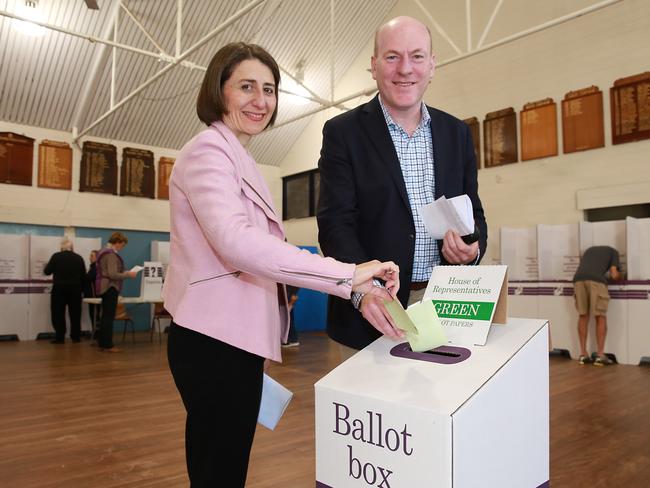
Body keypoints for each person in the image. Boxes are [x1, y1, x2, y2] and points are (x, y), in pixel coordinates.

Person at [162, 42, 400, 488]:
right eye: (246, 87)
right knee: (219, 465)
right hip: (213, 340)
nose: (260, 100)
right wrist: (346, 274)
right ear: (219, 91)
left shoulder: (237, 155)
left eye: (269, 89)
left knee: (225, 463)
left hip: (231, 338)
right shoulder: (208, 152)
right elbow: (237, 242)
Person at [317, 16, 487, 356]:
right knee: (372, 408)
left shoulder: (457, 133)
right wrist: (365, 289)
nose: (405, 69)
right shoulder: (342, 133)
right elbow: (336, 224)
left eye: (417, 56)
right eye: (392, 56)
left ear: (432, 65)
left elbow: (475, 213)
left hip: (443, 303)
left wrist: (473, 249)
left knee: (437, 405)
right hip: (372, 308)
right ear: (374, 66)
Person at [573, 245, 621, 366]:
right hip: (596, 281)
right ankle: (600, 355)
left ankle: (583, 354)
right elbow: (614, 274)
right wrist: (621, 275)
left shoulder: (589, 250)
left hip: (578, 279)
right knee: (600, 316)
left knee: (583, 315)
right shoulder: (614, 252)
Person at [95, 232, 137, 353]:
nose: (122, 248)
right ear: (117, 242)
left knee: (105, 317)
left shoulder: (103, 251)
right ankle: (108, 345)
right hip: (110, 287)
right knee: (108, 317)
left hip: (103, 287)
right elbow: (113, 274)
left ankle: (102, 343)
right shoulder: (111, 255)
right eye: (122, 245)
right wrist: (128, 274)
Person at [43, 238, 86, 344]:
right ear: (72, 247)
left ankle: (60, 337)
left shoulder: (56, 256)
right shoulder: (79, 258)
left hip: (59, 289)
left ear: (61, 247)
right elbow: (83, 276)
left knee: (58, 313)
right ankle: (76, 337)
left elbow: (47, 272)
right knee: (75, 314)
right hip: (75, 289)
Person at [85, 250, 100, 339]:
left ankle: (96, 334)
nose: (90, 257)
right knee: (93, 314)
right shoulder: (93, 268)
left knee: (95, 314)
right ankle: (95, 333)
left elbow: (90, 279)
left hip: (94, 296)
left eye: (92, 256)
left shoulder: (95, 268)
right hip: (92, 296)